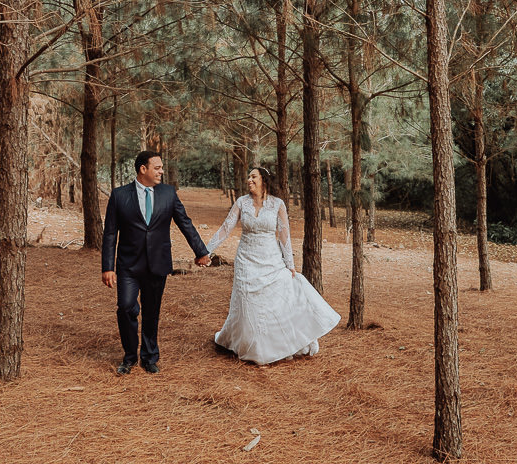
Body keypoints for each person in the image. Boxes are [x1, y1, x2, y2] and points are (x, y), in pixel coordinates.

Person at [205, 166, 340, 365]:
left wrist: (290, 264)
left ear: (264, 180)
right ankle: (250, 344)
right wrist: (206, 250)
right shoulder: (241, 203)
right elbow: (226, 229)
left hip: (271, 259)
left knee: (275, 300)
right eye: (248, 177)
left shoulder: (278, 204)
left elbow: (284, 235)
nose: (249, 180)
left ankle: (276, 345)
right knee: (248, 302)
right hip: (246, 259)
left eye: (253, 177)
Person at [102, 150, 210, 375]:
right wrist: (108, 267)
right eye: (157, 167)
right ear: (143, 169)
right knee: (126, 307)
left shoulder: (168, 193)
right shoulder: (120, 195)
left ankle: (149, 357)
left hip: (157, 264)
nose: (161, 171)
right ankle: (130, 357)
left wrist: (201, 251)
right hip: (128, 266)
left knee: (151, 312)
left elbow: (185, 222)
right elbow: (110, 234)